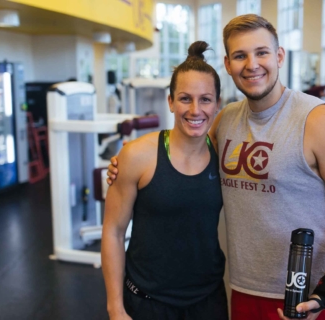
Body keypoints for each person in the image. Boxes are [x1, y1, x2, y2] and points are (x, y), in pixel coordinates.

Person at [107, 14, 325, 320]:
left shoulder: (319, 120)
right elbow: (183, 150)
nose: (252, 64)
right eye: (240, 55)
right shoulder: (225, 120)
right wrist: (126, 160)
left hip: (308, 297)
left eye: (261, 52)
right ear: (227, 64)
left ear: (279, 56)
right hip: (242, 291)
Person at [101, 41, 228, 320]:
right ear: (170, 101)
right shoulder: (137, 155)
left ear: (217, 104)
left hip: (208, 301)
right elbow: (112, 232)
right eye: (185, 98)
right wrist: (115, 308)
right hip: (147, 303)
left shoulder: (224, 155)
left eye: (205, 99)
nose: (195, 110)